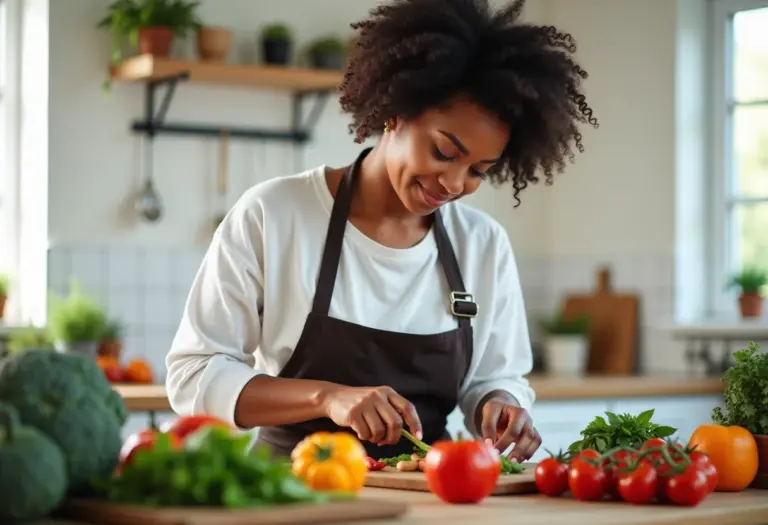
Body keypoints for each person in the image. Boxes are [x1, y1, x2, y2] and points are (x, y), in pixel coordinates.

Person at [166, 0, 597, 462]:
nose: (455, 184)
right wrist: (326, 397)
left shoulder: (482, 245)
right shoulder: (274, 213)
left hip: (431, 492)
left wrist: (501, 405)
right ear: (395, 112)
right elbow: (192, 374)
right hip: (292, 487)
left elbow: (497, 376)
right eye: (444, 151)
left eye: (478, 170)